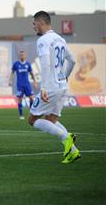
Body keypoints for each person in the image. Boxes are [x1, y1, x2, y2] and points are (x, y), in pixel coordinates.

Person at [28, 11, 80, 164]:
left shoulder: (43, 40)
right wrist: (65, 76)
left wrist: (44, 87)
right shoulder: (60, 39)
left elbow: (45, 63)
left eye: (34, 23)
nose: (33, 26)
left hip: (50, 87)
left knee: (32, 120)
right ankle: (73, 151)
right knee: (51, 119)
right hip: (62, 86)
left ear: (41, 22)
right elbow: (73, 61)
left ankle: (66, 137)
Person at [8, 50, 37, 119]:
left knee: (32, 98)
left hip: (27, 84)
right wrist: (10, 80)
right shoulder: (16, 64)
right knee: (20, 99)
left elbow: (32, 73)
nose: (22, 56)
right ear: (19, 56)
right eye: (21, 55)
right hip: (20, 85)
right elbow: (12, 72)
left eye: (23, 55)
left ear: (25, 56)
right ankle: (21, 115)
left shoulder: (28, 64)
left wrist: (35, 82)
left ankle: (31, 113)